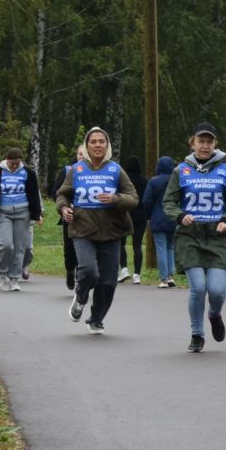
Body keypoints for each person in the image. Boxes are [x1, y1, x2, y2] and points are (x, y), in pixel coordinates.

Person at [163, 124, 226, 352]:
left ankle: (214, 314)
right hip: (190, 236)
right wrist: (180, 216)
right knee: (198, 287)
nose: (205, 146)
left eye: (209, 142)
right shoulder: (181, 171)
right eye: (201, 141)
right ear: (192, 143)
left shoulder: (225, 170)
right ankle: (197, 333)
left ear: (215, 145)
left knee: (216, 290)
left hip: (218, 236)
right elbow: (168, 201)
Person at [54, 127, 138, 334]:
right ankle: (81, 297)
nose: (98, 145)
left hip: (111, 230)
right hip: (82, 228)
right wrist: (63, 208)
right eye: (94, 142)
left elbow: (133, 198)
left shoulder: (115, 170)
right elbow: (62, 195)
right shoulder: (77, 170)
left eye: (102, 141)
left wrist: (116, 199)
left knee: (108, 281)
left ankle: (96, 318)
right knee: (89, 270)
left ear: (107, 145)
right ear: (87, 146)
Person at [0, 147, 41, 292]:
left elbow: (34, 194)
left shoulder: (28, 172)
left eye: (17, 163)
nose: (14, 166)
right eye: (12, 163)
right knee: (6, 245)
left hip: (22, 212)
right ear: (6, 160)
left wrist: (37, 214)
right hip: (3, 213)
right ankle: (1, 273)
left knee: (20, 247)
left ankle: (14, 278)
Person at [141, 155, 178, 288]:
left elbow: (147, 200)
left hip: (157, 216)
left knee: (161, 248)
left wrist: (148, 216)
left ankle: (163, 279)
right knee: (170, 246)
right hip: (173, 216)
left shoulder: (154, 181)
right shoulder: (176, 180)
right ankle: (171, 276)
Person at [119, 155, 148, 284]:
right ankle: (137, 274)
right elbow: (147, 199)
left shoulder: (123, 180)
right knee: (137, 245)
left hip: (124, 213)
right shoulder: (144, 181)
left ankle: (124, 268)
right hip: (140, 214)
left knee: (121, 243)